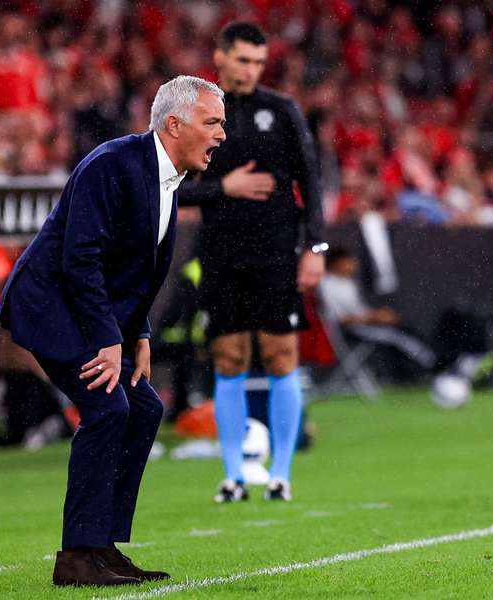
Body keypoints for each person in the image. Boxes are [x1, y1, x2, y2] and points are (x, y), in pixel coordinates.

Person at [0, 75, 226, 587]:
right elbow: (81, 260)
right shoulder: (111, 164)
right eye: (212, 122)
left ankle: (101, 544)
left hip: (89, 311)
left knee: (144, 407)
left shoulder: (168, 178)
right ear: (174, 123)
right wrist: (109, 339)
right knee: (107, 406)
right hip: (50, 306)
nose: (221, 135)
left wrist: (138, 333)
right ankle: (76, 556)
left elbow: (133, 271)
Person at [178, 22, 326, 503]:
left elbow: (312, 180)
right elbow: (174, 184)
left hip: (276, 252)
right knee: (229, 359)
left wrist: (316, 248)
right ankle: (233, 474)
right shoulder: (196, 113)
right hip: (221, 255)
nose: (251, 70)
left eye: (259, 62)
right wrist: (225, 188)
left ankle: (281, 473)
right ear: (219, 57)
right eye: (243, 59)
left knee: (282, 356)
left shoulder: (280, 111)